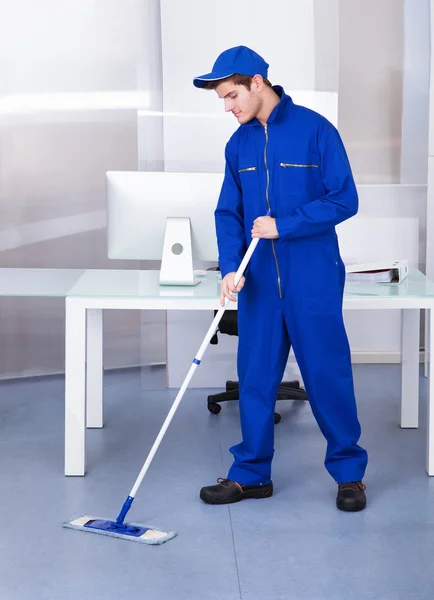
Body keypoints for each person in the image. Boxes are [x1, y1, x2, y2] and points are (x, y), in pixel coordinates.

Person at [193, 46, 368, 512]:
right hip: (261, 281)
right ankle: (251, 474)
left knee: (327, 374)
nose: (227, 107)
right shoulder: (239, 144)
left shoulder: (315, 130)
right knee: (255, 376)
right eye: (222, 100)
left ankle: (349, 475)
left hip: (312, 275)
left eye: (231, 95)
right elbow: (228, 212)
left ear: (256, 82)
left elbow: (344, 199)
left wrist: (285, 224)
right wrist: (231, 266)